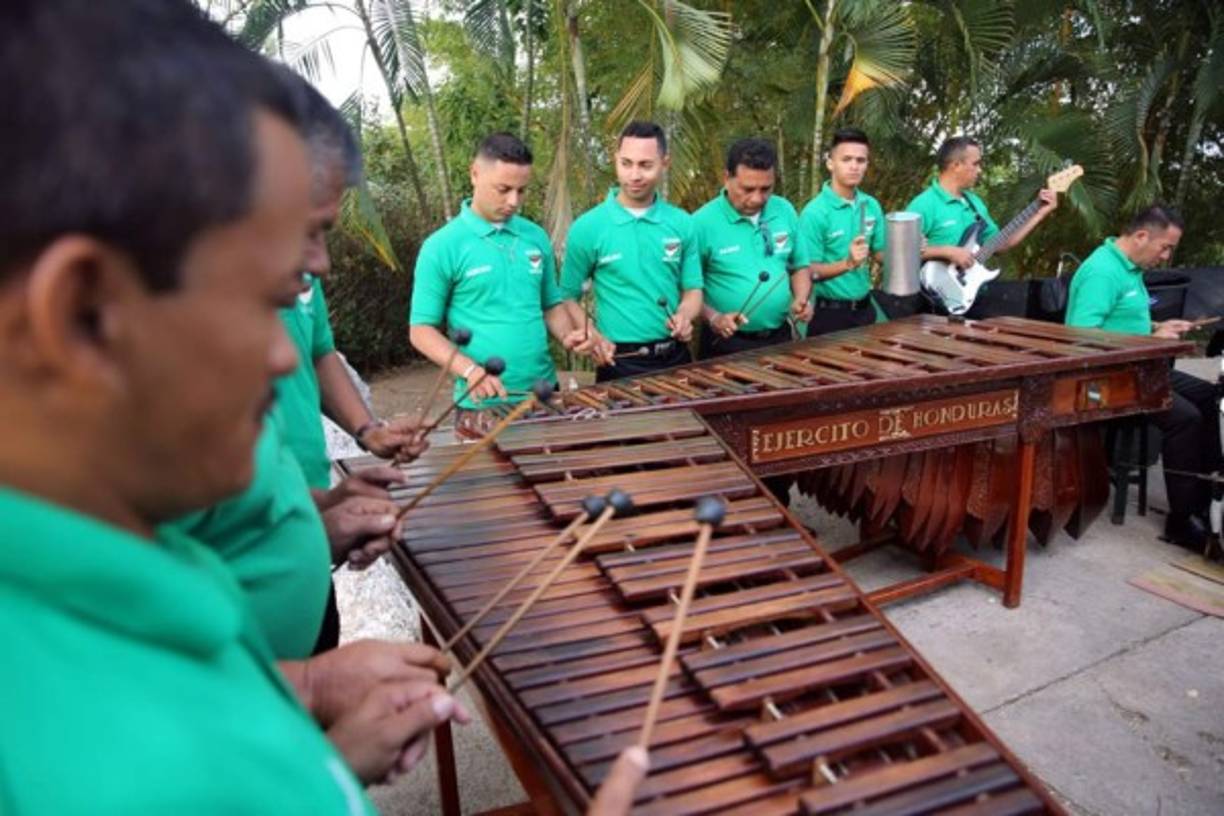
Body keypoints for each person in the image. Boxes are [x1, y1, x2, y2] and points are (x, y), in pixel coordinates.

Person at [0, 1, 466, 810]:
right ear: (84, 318)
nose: (284, 357)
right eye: (263, 300)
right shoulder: (97, 775)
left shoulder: (124, 572)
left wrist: (306, 693)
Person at [1065, 204, 1221, 549]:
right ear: (1140, 236)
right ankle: (1181, 521)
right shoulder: (1102, 271)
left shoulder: (1130, 268)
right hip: (1104, 379)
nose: (1165, 257)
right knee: (1186, 419)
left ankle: (1209, 502)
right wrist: (1149, 339)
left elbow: (1119, 321)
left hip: (1138, 367)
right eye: (1164, 247)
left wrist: (1156, 327)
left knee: (1211, 397)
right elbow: (1080, 338)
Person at [409, 133, 598, 415]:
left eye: (521, 191)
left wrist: (568, 335)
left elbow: (550, 305)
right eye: (503, 189)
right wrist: (470, 370)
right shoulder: (441, 246)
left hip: (544, 393)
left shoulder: (535, 236)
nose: (513, 201)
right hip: (482, 404)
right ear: (475, 174)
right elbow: (421, 330)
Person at [561, 121, 703, 381]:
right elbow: (567, 296)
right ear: (615, 160)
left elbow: (693, 290)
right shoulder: (588, 227)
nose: (634, 175)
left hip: (675, 356)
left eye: (645, 165)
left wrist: (684, 316)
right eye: (626, 163)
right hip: (618, 360)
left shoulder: (682, 223)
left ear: (665, 163)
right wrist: (593, 335)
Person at [693, 137, 810, 357]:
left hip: (780, 338)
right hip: (726, 345)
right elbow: (685, 287)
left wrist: (801, 298)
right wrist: (714, 317)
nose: (757, 198)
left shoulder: (784, 210)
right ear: (726, 178)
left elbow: (799, 266)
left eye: (766, 189)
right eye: (747, 189)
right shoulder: (700, 224)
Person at [906, 135, 1057, 276]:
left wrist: (1039, 213)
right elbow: (900, 251)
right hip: (928, 290)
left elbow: (999, 245)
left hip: (966, 291)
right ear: (956, 165)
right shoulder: (924, 204)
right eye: (975, 164)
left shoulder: (975, 203)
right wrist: (947, 251)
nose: (980, 170)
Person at [798, 128, 887, 335]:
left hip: (866, 310)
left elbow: (880, 254)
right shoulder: (815, 213)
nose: (854, 166)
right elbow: (809, 272)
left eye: (860, 160)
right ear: (830, 163)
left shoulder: (870, 204)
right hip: (830, 315)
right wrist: (848, 263)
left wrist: (909, 249)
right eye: (846, 159)